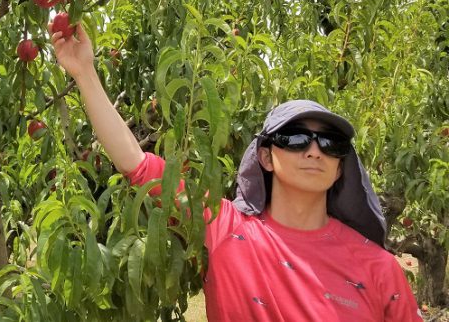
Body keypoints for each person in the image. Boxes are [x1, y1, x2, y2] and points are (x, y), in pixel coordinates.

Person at [48, 23, 422, 322]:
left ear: (341, 168)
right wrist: (85, 73)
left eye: (330, 144)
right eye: (295, 138)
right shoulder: (227, 229)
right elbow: (136, 163)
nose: (313, 150)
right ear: (266, 157)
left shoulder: (378, 268)